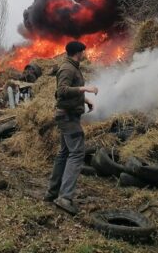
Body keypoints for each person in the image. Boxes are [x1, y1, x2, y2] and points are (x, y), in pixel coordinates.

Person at [46, 40, 98, 215]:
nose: (85, 54)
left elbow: (69, 91)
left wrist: (85, 99)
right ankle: (65, 197)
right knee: (76, 154)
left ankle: (52, 193)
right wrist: (85, 88)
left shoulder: (72, 67)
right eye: (84, 51)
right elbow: (61, 91)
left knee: (64, 153)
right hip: (68, 118)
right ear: (79, 52)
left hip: (68, 115)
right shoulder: (68, 68)